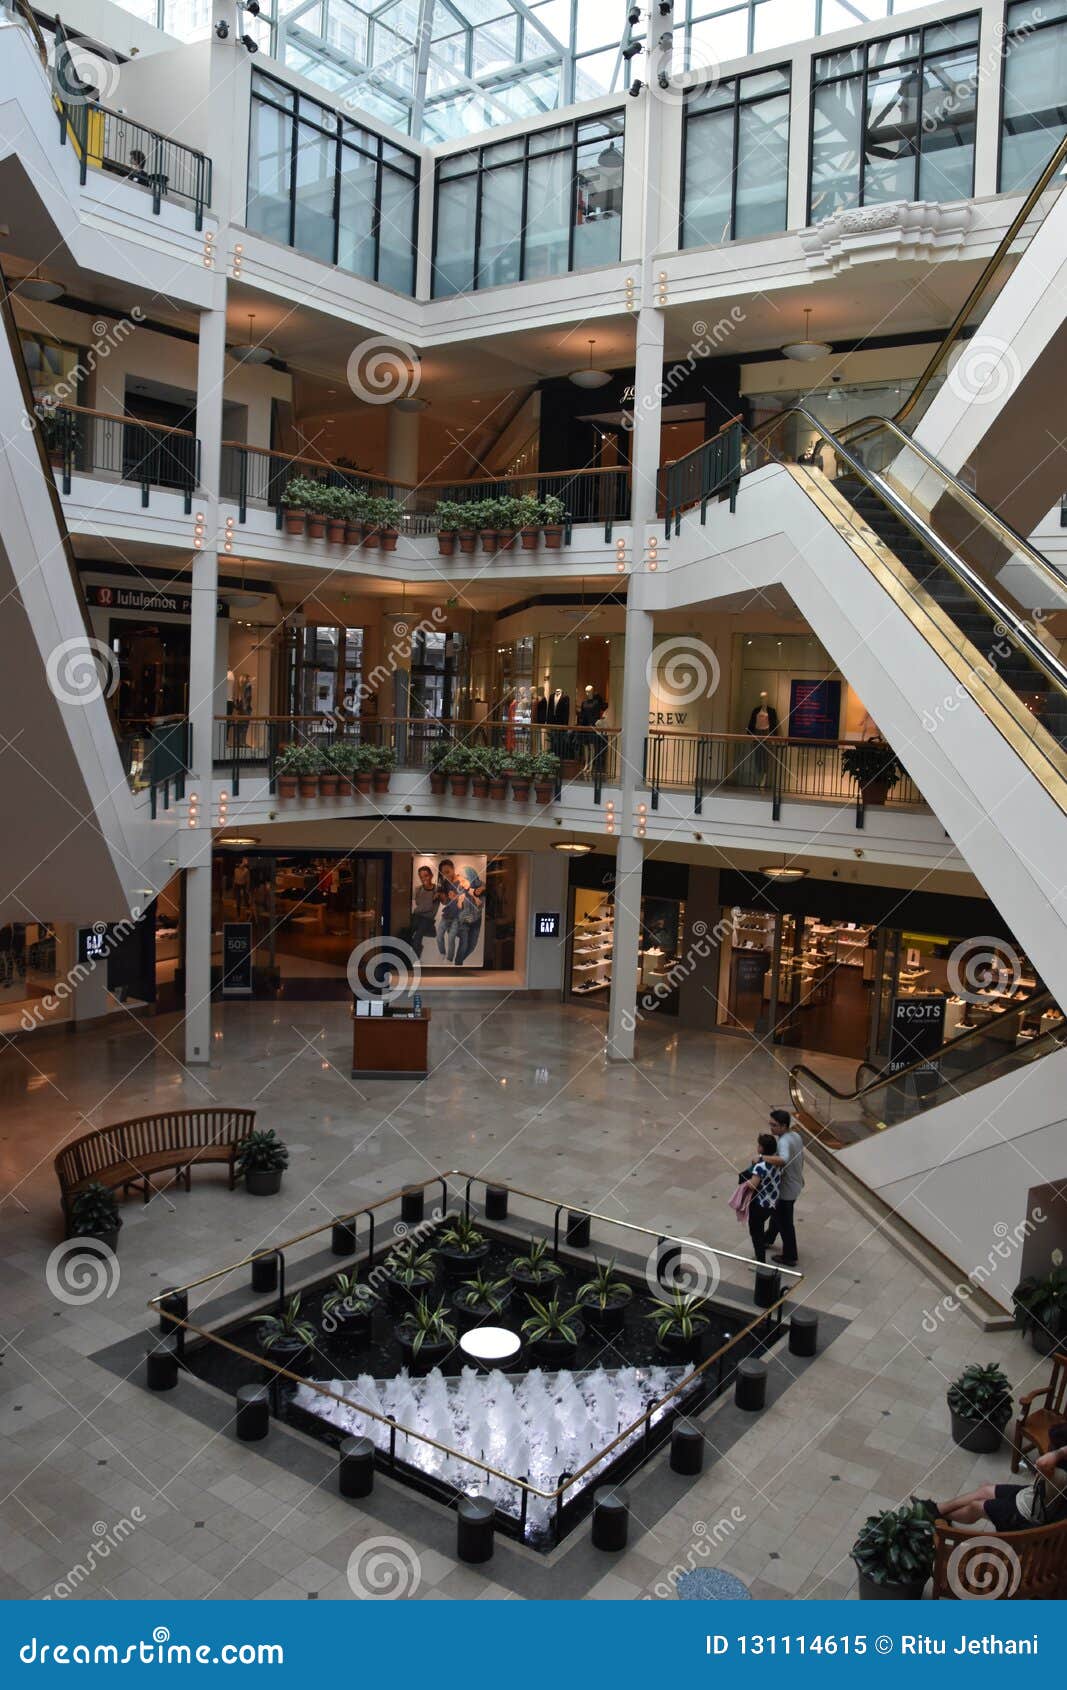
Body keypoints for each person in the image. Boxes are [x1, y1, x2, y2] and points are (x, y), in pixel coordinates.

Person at [939, 1424, 1067, 1532]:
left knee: (976, 1506)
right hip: (1029, 1496)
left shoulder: (1058, 1473)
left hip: (1025, 1515)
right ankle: (938, 1508)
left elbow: (1042, 1462)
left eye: (1052, 1445)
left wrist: (1058, 1453)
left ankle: (938, 1516)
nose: (1048, 1447)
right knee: (984, 1490)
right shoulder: (1058, 1469)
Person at [763, 1106, 805, 1267]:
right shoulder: (795, 1136)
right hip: (795, 1184)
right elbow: (800, 1157)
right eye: (770, 1124)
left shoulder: (784, 1141)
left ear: (783, 1126)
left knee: (785, 1223)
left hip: (786, 1190)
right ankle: (768, 1239)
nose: (771, 1127)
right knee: (777, 1215)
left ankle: (790, 1256)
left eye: (774, 1125)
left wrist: (762, 1157)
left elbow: (784, 1159)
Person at [744, 1133, 782, 1263]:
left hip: (759, 1204)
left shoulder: (761, 1166)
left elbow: (753, 1185)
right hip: (772, 1202)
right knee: (760, 1230)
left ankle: (760, 1262)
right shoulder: (776, 1161)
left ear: (762, 1148)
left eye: (759, 1145)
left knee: (756, 1234)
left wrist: (746, 1182)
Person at [453, 867, 484, 966]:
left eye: (463, 880)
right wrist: (460, 902)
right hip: (464, 920)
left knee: (472, 946)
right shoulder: (460, 889)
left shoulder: (480, 886)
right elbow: (458, 908)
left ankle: (458, 962)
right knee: (464, 944)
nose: (461, 883)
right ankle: (458, 964)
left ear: (470, 877)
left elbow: (480, 904)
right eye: (460, 881)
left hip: (476, 920)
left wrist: (474, 895)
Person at [410, 864, 437, 959]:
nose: (424, 878)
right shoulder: (418, 889)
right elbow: (418, 903)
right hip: (416, 916)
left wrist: (422, 907)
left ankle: (415, 962)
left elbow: (429, 907)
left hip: (427, 919)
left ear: (431, 875)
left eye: (426, 875)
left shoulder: (436, 889)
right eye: (421, 877)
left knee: (417, 937)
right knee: (407, 935)